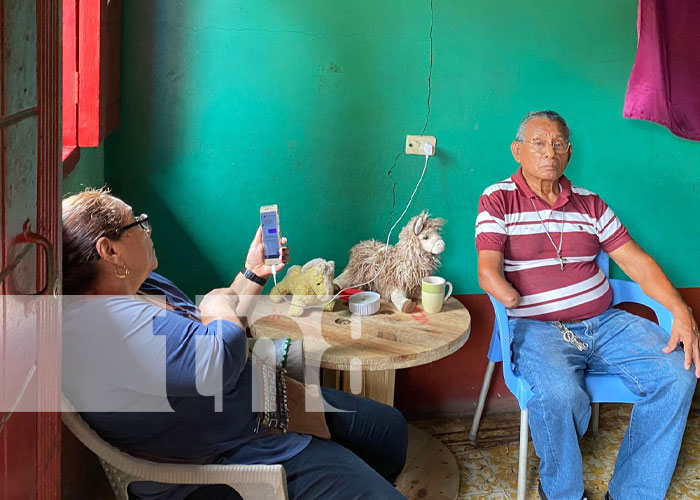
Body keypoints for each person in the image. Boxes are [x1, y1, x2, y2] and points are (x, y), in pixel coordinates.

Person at [62, 188, 408, 500]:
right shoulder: (107, 329)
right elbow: (219, 358)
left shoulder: (144, 287)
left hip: (264, 406)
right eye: (137, 223)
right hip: (232, 455)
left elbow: (213, 330)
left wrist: (252, 273)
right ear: (109, 251)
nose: (146, 230)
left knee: (389, 432)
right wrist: (215, 304)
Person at [475, 111, 699, 500]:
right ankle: (563, 493)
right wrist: (507, 294)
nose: (550, 152)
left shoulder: (590, 204)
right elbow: (487, 268)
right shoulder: (499, 199)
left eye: (559, 144)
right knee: (560, 395)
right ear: (518, 150)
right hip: (538, 328)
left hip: (604, 322)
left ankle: (633, 492)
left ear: (569, 152)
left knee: (677, 373)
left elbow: (637, 263)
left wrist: (682, 311)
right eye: (539, 143)